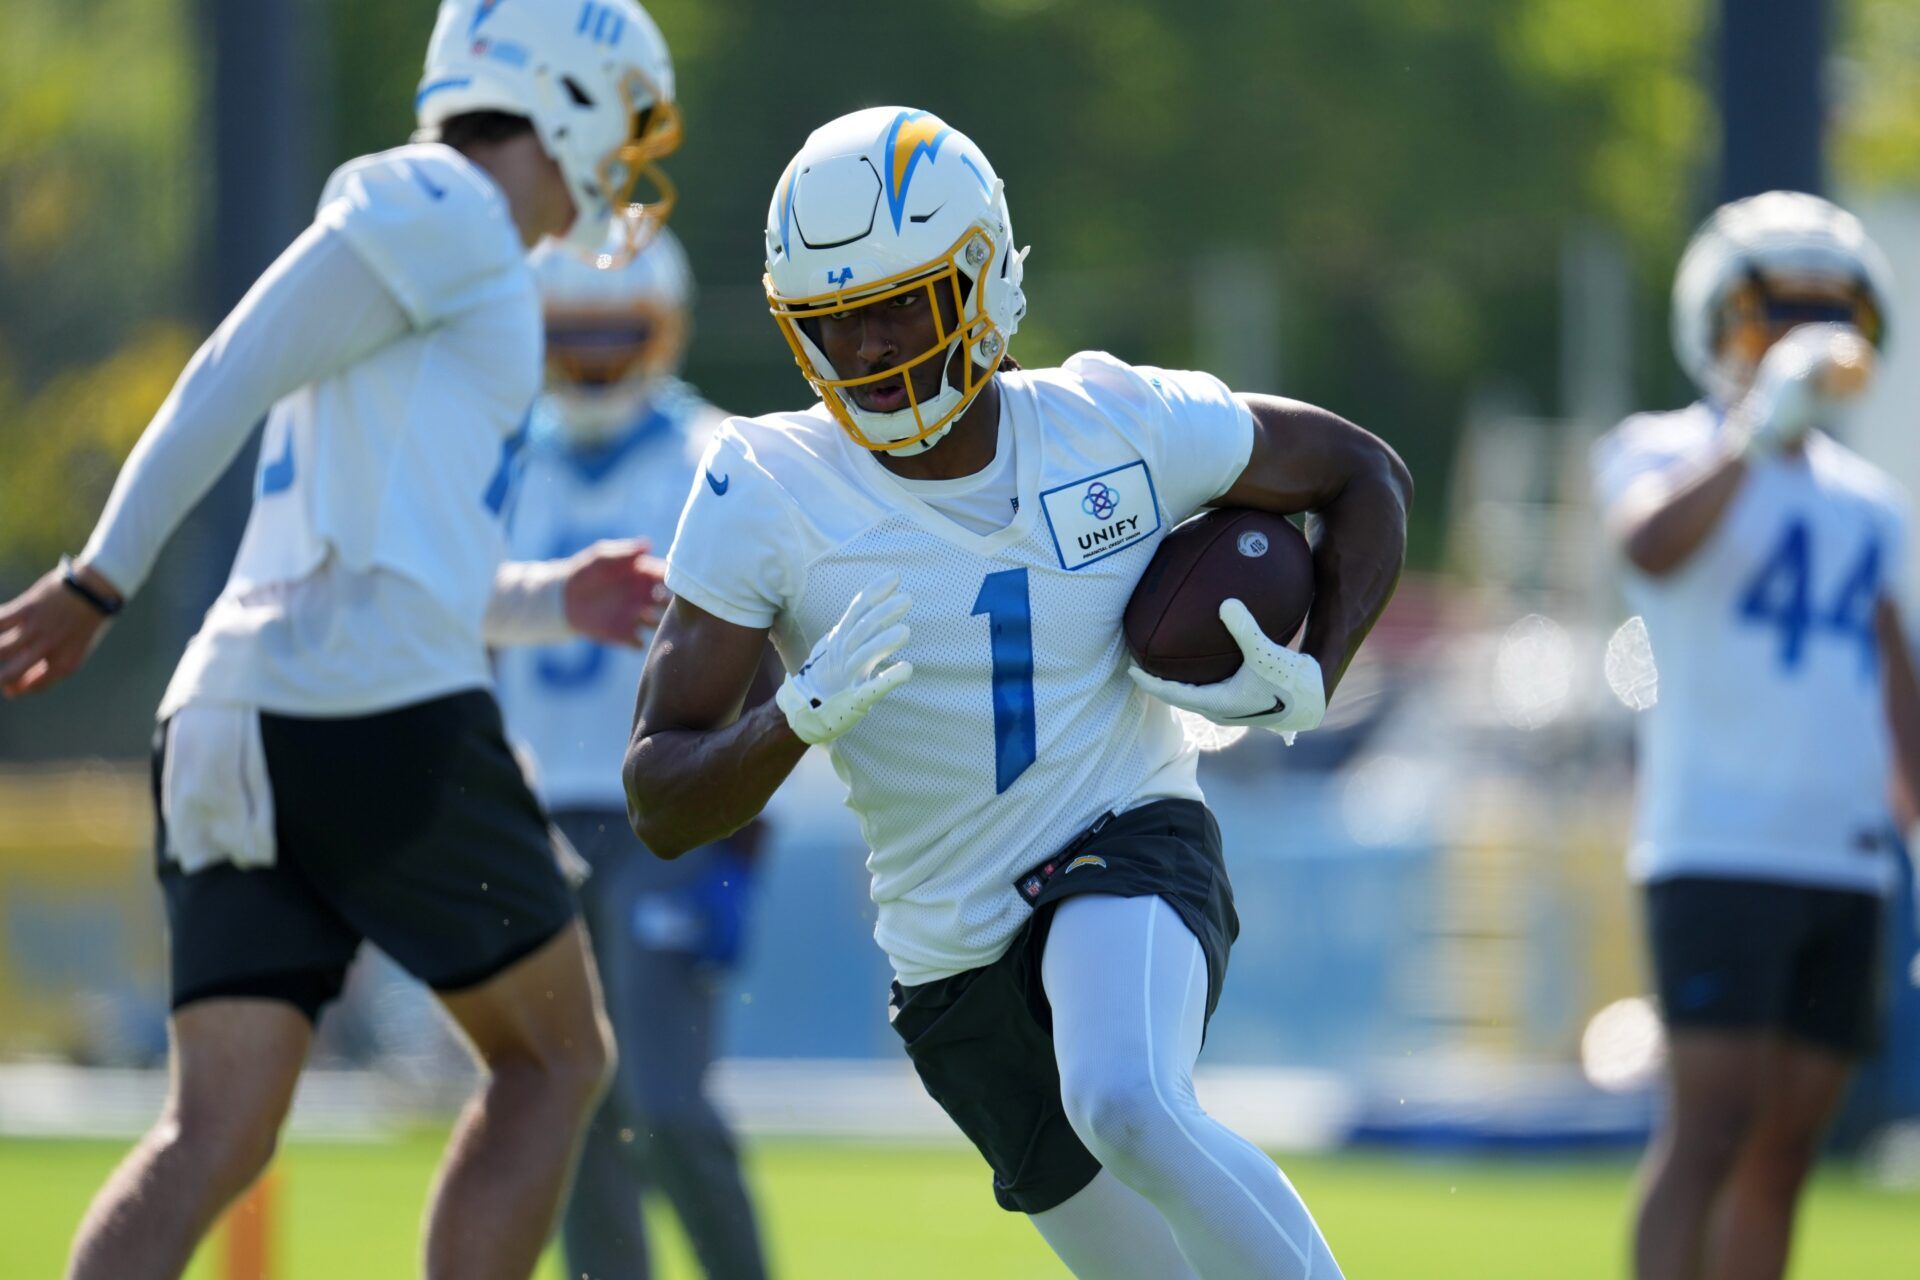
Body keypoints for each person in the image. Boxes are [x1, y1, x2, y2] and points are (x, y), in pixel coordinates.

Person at [625, 107, 1411, 1280]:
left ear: (983, 279)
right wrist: (790, 719)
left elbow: (1364, 474)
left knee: (1127, 1096)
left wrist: (1317, 669)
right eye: (839, 321)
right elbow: (658, 794)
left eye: (903, 301)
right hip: (947, 944)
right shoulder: (767, 485)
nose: (875, 347)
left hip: (1124, 831)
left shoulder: (1114, 423)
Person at [0, 3, 682, 1277]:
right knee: (556, 1060)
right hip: (372, 708)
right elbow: (231, 366)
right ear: (567, 98)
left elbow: (401, 553)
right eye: (625, 122)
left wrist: (550, 599)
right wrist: (100, 575)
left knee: (211, 1131)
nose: (627, 164)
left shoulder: (451, 253)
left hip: (230, 715)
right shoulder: (446, 203)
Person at [1591, 191, 1920, 1280]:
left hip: (1845, 854)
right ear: (1720, 320)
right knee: (1712, 1126)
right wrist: (1753, 431)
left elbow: (1894, 683)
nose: (1799, 342)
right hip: (1717, 840)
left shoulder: (1869, 502)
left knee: (1785, 1149)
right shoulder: (1663, 447)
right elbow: (1649, 547)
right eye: (1773, 315)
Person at [496, 224, 769, 1280]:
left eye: (618, 334)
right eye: (575, 336)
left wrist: (745, 843)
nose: (598, 360)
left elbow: (770, 651)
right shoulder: (505, 456)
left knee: (666, 1099)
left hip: (670, 814)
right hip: (534, 807)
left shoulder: (716, 453)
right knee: (570, 1105)